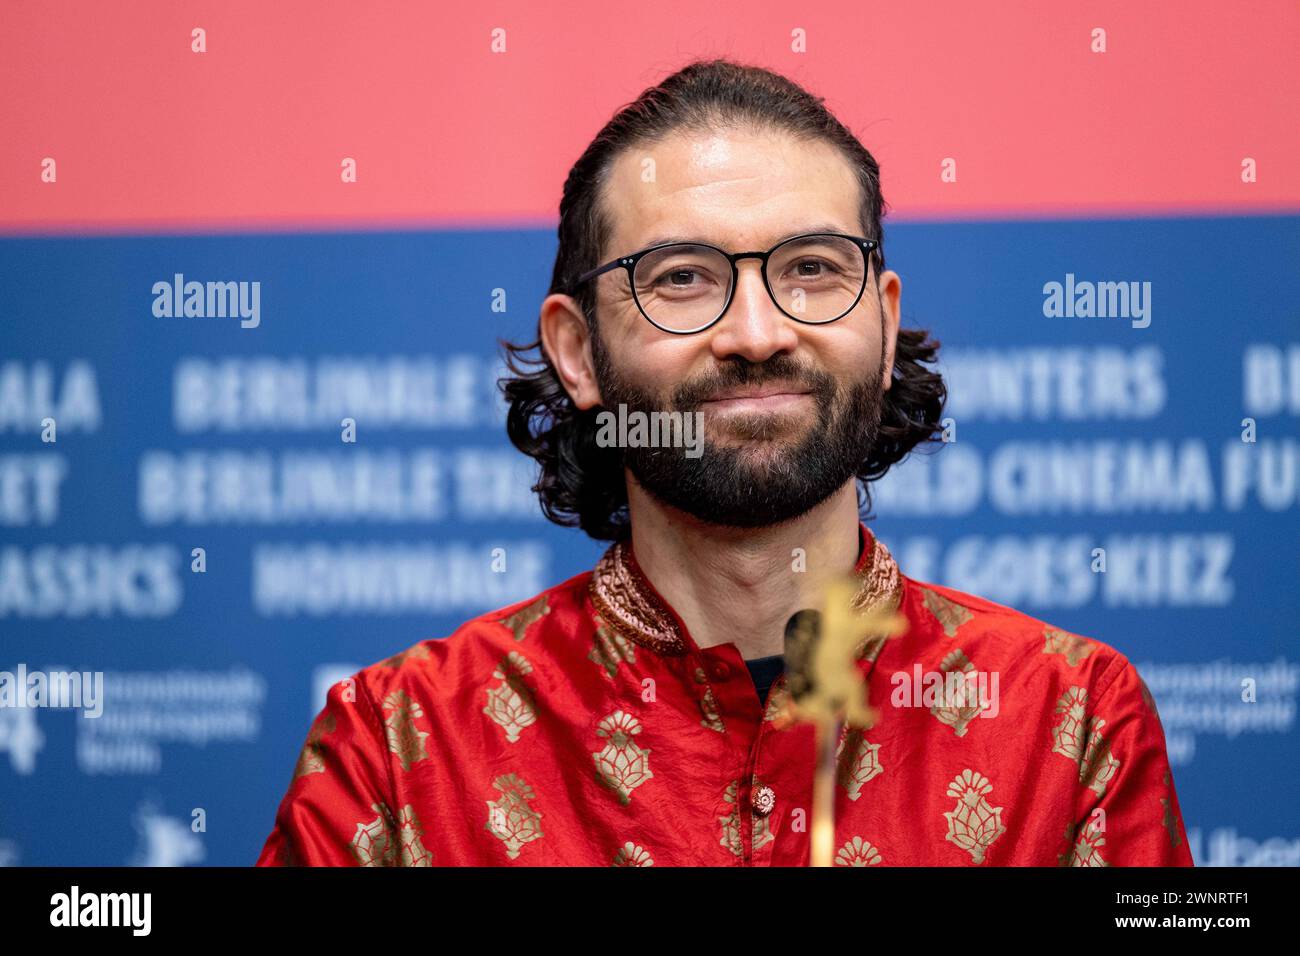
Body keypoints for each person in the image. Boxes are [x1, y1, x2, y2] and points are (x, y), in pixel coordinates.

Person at [256, 58, 1192, 867]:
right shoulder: (402, 740)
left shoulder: (1067, 718)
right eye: (682, 279)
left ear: (884, 318)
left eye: (814, 269)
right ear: (577, 353)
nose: (757, 334)